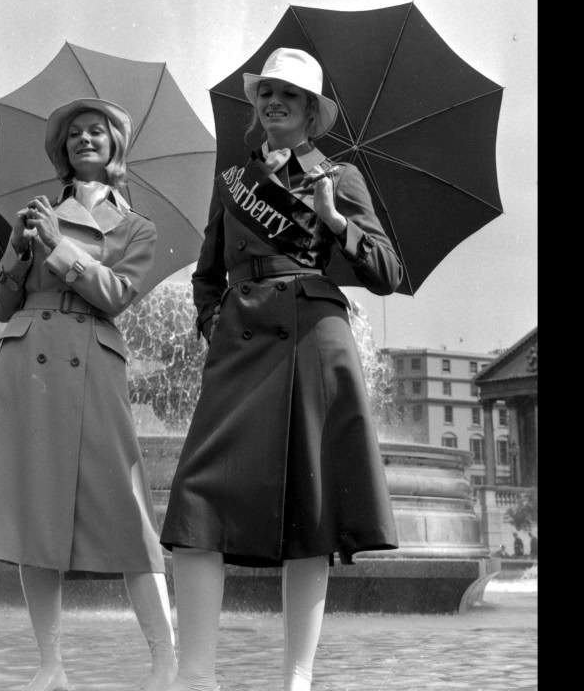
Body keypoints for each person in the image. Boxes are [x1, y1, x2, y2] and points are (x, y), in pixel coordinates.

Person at [159, 47, 404, 691]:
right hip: (243, 342)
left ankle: (297, 679)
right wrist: (213, 322)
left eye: (288, 97)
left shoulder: (340, 177)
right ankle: (196, 676)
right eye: (266, 93)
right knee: (198, 502)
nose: (273, 103)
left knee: (312, 508)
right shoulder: (233, 181)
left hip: (312, 338)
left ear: (311, 112)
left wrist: (332, 222)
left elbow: (386, 272)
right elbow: (207, 273)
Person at [0, 98, 176, 691]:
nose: (84, 140)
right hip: (27, 367)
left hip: (92, 368)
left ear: (114, 148)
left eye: (96, 132)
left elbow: (117, 294)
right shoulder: (36, 215)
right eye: (74, 133)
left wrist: (57, 245)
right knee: (32, 519)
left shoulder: (136, 226)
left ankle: (166, 662)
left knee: (128, 517)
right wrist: (20, 250)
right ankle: (50, 666)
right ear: (62, 150)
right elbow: (1, 306)